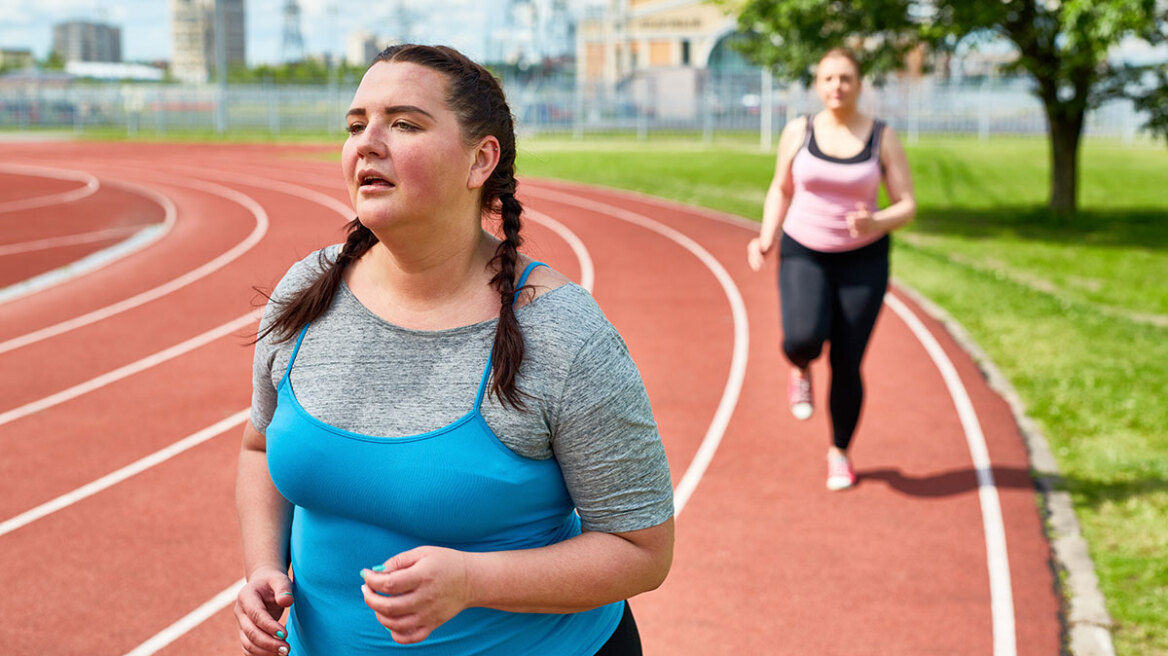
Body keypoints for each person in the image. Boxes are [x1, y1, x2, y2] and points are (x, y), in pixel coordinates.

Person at [233, 44, 674, 656]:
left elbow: (641, 551)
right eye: (356, 125)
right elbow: (259, 446)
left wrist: (473, 581)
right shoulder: (306, 291)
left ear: (479, 160)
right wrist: (262, 567)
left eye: (405, 123)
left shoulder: (562, 332)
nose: (367, 142)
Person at [746, 48, 916, 491]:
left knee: (847, 361)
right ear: (818, 86)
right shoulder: (798, 132)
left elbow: (907, 204)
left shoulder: (882, 136)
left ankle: (839, 451)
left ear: (859, 85)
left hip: (864, 260)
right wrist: (767, 235)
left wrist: (875, 220)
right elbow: (780, 189)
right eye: (828, 79)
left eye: (845, 78)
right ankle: (799, 367)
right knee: (801, 338)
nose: (836, 87)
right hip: (805, 249)